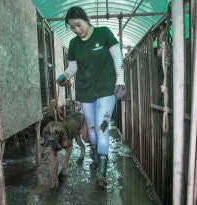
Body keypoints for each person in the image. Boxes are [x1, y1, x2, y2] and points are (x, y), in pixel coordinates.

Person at [56, 6, 126, 189]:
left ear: (85, 20)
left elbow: (118, 57)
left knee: (102, 127)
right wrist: (65, 75)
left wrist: (121, 81)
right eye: (72, 27)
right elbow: (73, 67)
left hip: (105, 89)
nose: (76, 30)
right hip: (85, 90)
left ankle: (101, 175)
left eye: (78, 25)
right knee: (92, 128)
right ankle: (95, 155)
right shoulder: (73, 44)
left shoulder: (104, 33)